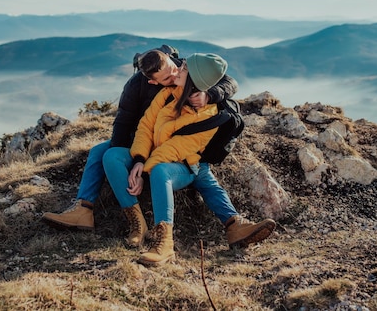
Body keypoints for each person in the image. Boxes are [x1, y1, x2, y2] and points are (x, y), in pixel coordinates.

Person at [42, 47, 275, 250]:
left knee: (200, 171)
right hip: (149, 142)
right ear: (152, 81)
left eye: (176, 69)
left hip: (181, 150)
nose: (174, 76)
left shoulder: (189, 72)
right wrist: (135, 160)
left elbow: (228, 81)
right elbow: (126, 122)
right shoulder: (142, 88)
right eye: (167, 77)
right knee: (102, 153)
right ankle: (85, 209)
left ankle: (234, 224)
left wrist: (210, 94)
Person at [103, 52, 275, 266]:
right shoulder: (168, 93)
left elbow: (175, 149)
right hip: (164, 157)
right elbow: (146, 125)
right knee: (113, 155)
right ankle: (234, 226)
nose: (178, 68)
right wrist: (138, 159)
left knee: (167, 171)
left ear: (195, 78)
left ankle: (165, 244)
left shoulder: (207, 114)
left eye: (184, 68)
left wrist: (144, 170)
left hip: (183, 164)